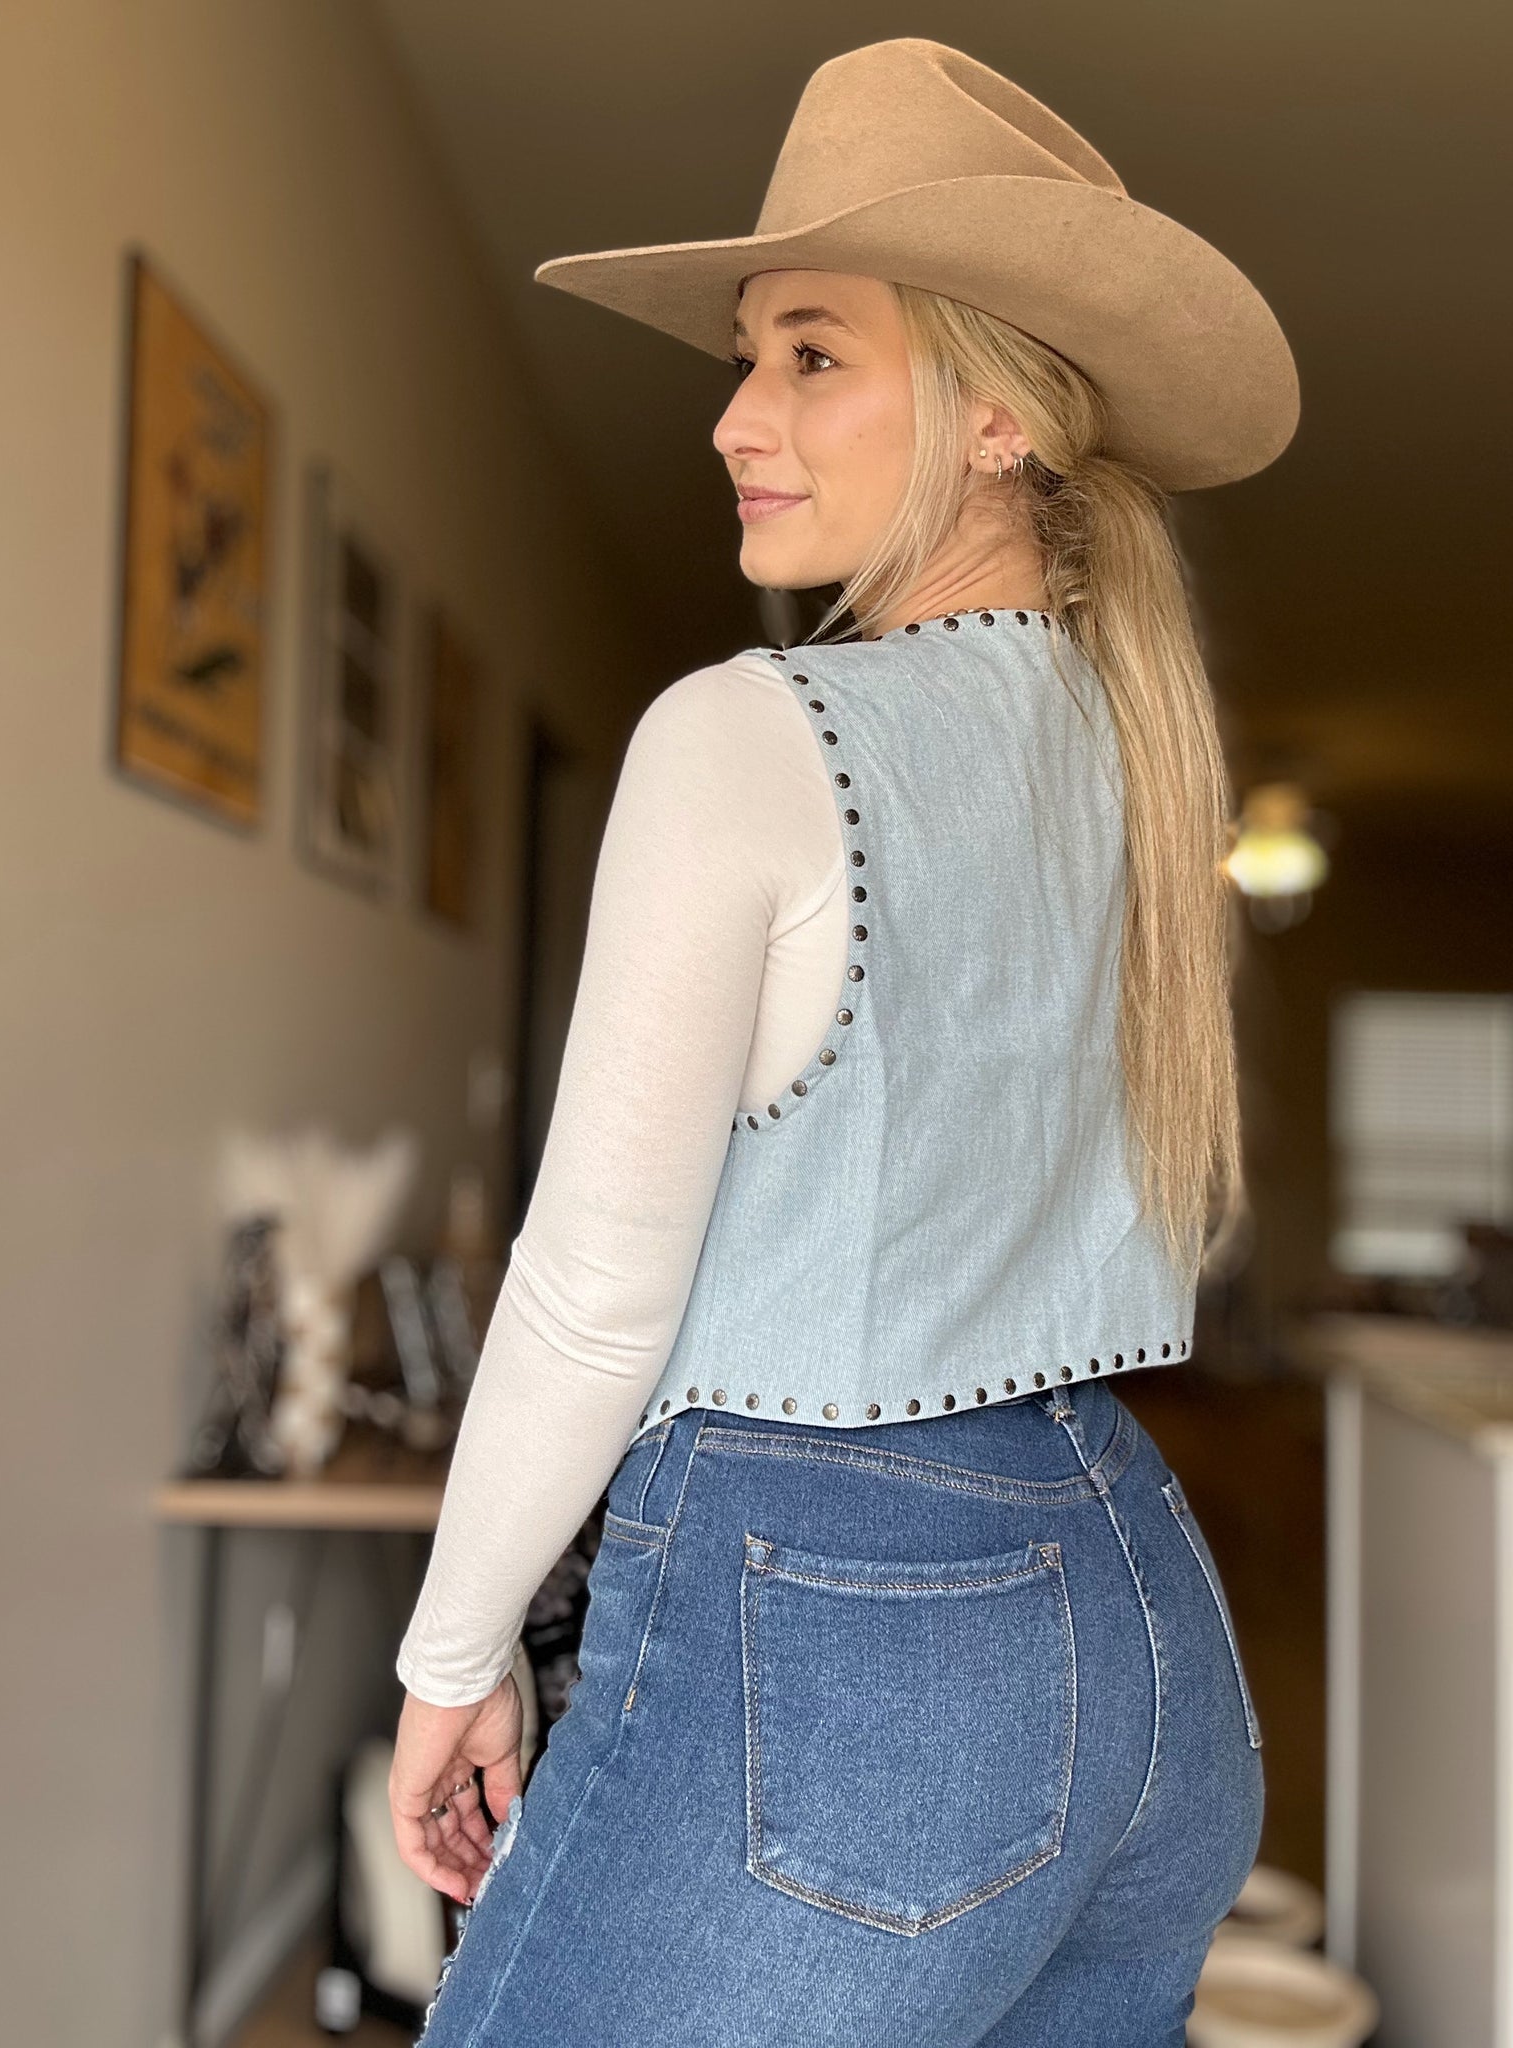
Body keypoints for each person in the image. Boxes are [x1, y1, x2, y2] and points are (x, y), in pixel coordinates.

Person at [387, 36, 1297, 2046]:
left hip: (848, 1629)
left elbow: (597, 1286)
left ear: (996, 416)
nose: (736, 417)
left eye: (814, 354)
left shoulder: (748, 734)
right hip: (1139, 1613)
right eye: (746, 358)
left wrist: (450, 1654)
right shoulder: (1143, 764)